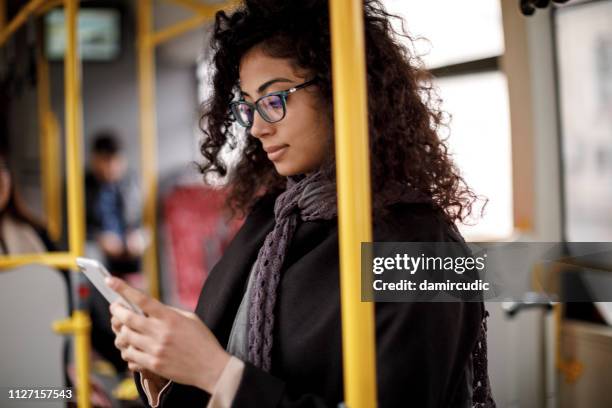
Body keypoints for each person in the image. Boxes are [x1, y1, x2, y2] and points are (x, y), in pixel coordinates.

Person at [108, 1, 496, 406]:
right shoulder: (272, 219)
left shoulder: (420, 247)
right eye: (247, 106)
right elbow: (219, 358)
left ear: (341, 88)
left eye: (275, 99)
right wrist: (166, 367)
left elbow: (222, 370)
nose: (257, 127)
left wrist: (213, 372)